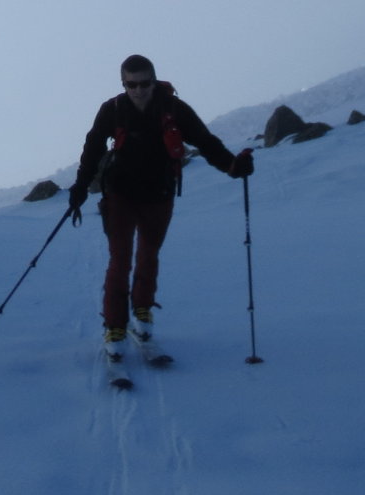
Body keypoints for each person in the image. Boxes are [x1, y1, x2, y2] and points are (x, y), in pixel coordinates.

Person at [67, 54, 252, 345]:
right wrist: (80, 186)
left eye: (144, 83)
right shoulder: (112, 110)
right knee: (120, 261)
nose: (139, 90)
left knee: (148, 256)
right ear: (123, 84)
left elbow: (205, 141)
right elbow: (92, 149)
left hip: (159, 194)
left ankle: (142, 313)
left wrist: (232, 166)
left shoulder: (174, 109)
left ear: (154, 81)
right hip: (120, 194)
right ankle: (115, 327)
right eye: (132, 84)